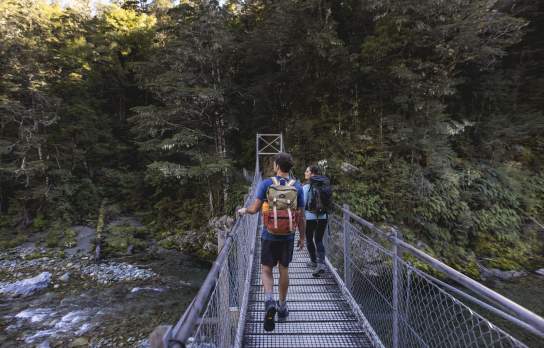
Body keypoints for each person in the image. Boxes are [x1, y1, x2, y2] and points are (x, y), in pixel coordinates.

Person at [238, 152, 305, 332]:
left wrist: (243, 210)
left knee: (266, 269)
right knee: (284, 269)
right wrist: (303, 237)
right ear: (290, 168)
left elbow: (254, 209)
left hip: (269, 235)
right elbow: (301, 215)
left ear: (276, 166)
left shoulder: (266, 184)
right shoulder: (297, 186)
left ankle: (269, 300)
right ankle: (282, 307)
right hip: (288, 236)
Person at [303, 165, 330, 277]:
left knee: (309, 239)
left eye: (307, 171)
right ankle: (322, 264)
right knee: (318, 239)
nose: (305, 172)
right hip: (323, 216)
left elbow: (303, 203)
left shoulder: (306, 187)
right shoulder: (325, 185)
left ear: (312, 174)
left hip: (310, 217)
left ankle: (314, 262)